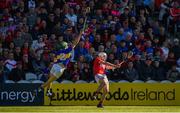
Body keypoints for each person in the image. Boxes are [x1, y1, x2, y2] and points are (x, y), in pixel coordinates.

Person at [35, 30, 83, 96]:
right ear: (66, 46)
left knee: (50, 80)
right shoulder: (68, 50)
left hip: (55, 66)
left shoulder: (58, 52)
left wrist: (48, 69)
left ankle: (48, 91)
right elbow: (76, 42)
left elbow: (53, 61)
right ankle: (40, 88)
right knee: (49, 81)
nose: (70, 45)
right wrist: (80, 34)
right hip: (60, 68)